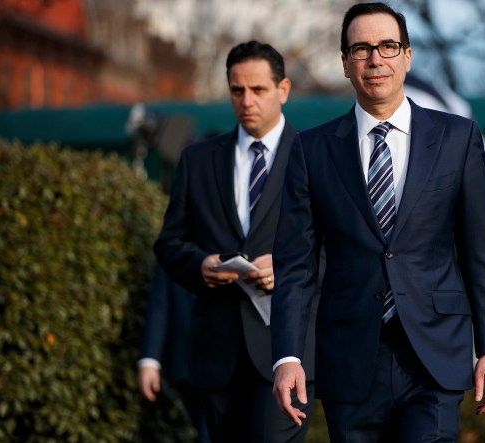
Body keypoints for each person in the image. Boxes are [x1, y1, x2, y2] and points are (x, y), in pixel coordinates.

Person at [271, 3, 485, 441]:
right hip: (349, 357)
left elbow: (482, 253)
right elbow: (296, 266)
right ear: (345, 63)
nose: (375, 59)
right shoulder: (311, 149)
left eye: (388, 46)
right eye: (361, 49)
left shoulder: (457, 139)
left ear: (407, 56)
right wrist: (287, 356)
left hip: (435, 354)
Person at [154, 40, 317, 443]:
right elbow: (169, 243)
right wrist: (200, 265)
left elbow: (339, 245)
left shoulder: (316, 156)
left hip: (286, 350)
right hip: (215, 354)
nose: (246, 101)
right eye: (237, 90)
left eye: (258, 89)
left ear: (283, 90)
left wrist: (287, 268)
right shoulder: (197, 160)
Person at [137, 265, 210, 442]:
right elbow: (159, 303)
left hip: (238, 359)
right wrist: (149, 360)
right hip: (188, 362)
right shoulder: (174, 250)